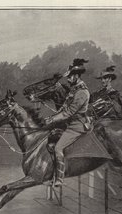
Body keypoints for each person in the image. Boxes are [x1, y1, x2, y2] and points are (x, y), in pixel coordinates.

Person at [44, 58, 92, 187]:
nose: (68, 80)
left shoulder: (82, 92)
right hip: (69, 123)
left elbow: (69, 112)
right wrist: (52, 117)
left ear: (76, 76)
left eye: (70, 77)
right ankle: (51, 175)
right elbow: (64, 108)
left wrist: (53, 119)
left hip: (77, 126)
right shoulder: (74, 89)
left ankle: (59, 179)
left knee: (58, 148)